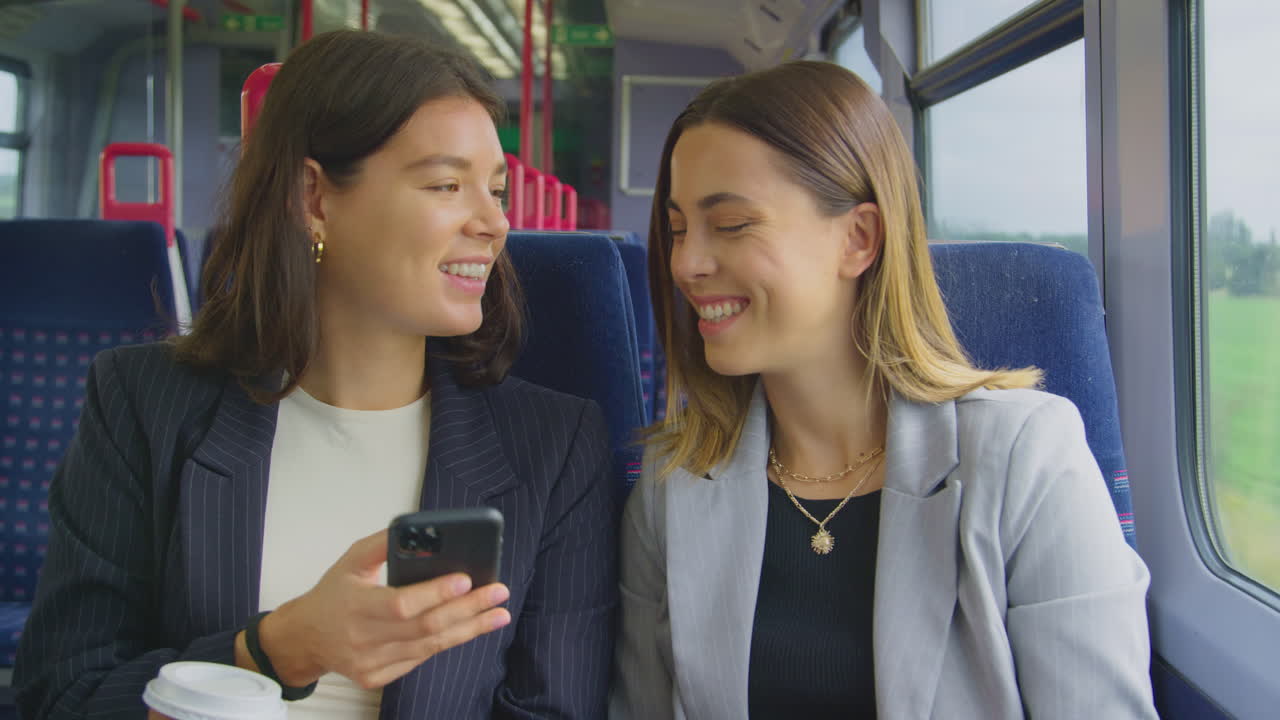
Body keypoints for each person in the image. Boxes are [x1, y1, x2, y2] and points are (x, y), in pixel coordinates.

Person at [14, 30, 618, 720]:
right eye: (447, 185)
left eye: (497, 190)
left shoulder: (554, 444)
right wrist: (281, 648)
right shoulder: (143, 403)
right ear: (314, 199)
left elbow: (551, 710)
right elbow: (63, 695)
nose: (494, 222)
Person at [610, 61, 1157, 719]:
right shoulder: (672, 484)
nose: (686, 263)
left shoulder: (1025, 458)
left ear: (859, 238)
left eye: (730, 225)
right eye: (676, 231)